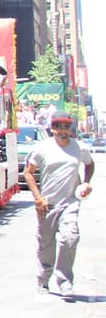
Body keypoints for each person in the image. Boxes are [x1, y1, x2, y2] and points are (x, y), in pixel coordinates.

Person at [24, 110, 94, 296]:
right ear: (52, 129)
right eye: (59, 126)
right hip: (47, 204)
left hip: (70, 203)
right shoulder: (42, 148)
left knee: (70, 238)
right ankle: (43, 279)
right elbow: (28, 173)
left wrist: (86, 182)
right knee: (46, 245)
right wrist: (37, 198)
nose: (64, 130)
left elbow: (89, 164)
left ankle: (64, 281)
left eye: (67, 126)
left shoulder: (79, 148)